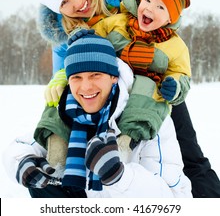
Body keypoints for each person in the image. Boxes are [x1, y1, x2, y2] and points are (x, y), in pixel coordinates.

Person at [24, 0, 220, 197]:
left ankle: (209, 201)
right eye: (64, 2)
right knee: (122, 154)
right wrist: (60, 79)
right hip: (109, 95)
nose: (76, 3)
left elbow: (166, 24)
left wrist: (172, 80)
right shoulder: (64, 36)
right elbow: (67, 73)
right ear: (58, 10)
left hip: (155, 86)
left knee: (187, 149)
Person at [3, 30, 192, 198]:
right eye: (77, 77)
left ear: (113, 77)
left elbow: (175, 198)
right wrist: (23, 164)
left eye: (95, 75)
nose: (85, 87)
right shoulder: (66, 110)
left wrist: (119, 177)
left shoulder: (149, 118)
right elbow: (20, 148)